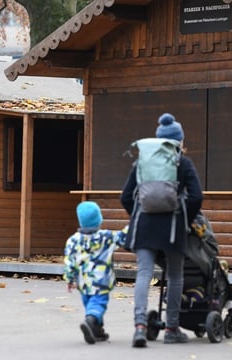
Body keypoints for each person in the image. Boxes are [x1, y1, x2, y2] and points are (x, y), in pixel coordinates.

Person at [120, 113, 203, 347]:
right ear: (179, 141)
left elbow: (125, 197)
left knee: (144, 274)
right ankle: (172, 328)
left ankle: (139, 327)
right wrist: (184, 217)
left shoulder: (141, 163)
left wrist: (138, 215)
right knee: (175, 276)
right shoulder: (183, 163)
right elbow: (197, 197)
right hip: (173, 228)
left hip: (144, 227)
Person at [63, 201, 128, 345]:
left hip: (83, 283)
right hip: (101, 281)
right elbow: (123, 237)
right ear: (99, 219)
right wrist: (134, 223)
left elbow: (69, 262)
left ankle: (97, 331)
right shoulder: (106, 237)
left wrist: (69, 279)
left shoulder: (73, 240)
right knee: (98, 305)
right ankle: (90, 321)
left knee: (90, 305)